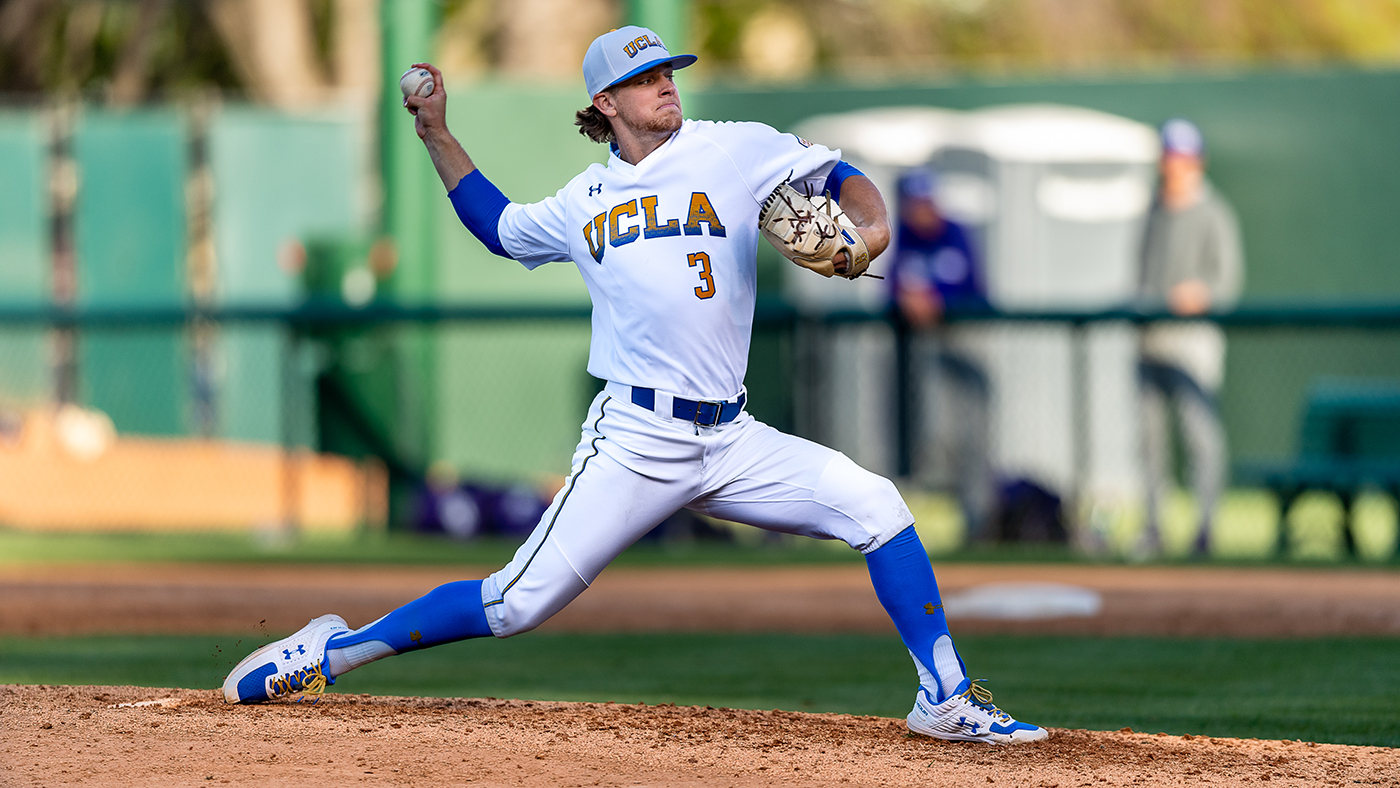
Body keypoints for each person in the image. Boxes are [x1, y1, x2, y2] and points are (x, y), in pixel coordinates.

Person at [222, 26, 1046, 745]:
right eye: (646, 78)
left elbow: (841, 175)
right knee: (514, 605)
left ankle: (945, 697)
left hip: (731, 438)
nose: (666, 85)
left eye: (669, 72)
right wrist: (437, 131)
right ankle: (332, 650)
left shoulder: (733, 146)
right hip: (636, 440)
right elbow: (499, 227)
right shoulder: (586, 200)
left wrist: (872, 227)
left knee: (878, 506)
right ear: (605, 102)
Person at [1137, 118, 1244, 556]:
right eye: (1169, 157)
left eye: (1182, 158)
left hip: (1193, 341)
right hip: (1150, 338)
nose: (1174, 166)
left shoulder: (1214, 211)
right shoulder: (1154, 210)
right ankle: (1154, 527)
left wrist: (1198, 292)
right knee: (1149, 440)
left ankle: (1205, 527)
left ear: (1196, 161)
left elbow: (1227, 283)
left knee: (1200, 436)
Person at [887, 169, 995, 539]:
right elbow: (888, 289)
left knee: (972, 437)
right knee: (933, 440)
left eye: (926, 202)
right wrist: (906, 297)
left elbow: (979, 291)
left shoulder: (955, 233)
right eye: (914, 204)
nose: (922, 211)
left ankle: (979, 521)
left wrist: (938, 300)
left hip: (964, 345)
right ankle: (931, 523)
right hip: (924, 353)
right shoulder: (903, 239)